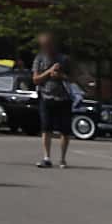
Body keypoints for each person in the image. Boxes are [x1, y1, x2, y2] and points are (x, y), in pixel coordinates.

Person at [30, 31, 72, 169]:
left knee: (64, 131)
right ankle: (46, 157)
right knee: (46, 128)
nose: (47, 47)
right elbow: (35, 80)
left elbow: (73, 78)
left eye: (49, 44)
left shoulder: (64, 59)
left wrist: (60, 76)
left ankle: (63, 159)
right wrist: (49, 72)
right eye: (45, 45)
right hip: (46, 97)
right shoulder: (39, 59)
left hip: (64, 98)